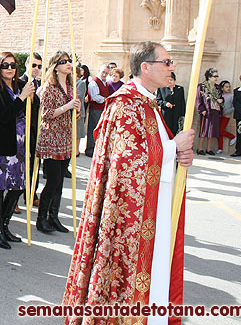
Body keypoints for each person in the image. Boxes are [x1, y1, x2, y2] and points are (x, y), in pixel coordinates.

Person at [63, 42, 195, 324]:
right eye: (167, 62)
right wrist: (173, 147)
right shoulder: (125, 103)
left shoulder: (148, 102)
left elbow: (154, 149)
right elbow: (127, 162)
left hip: (154, 207)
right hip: (128, 217)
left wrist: (178, 153)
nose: (172, 68)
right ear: (145, 67)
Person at [0, 52, 35, 249]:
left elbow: (33, 111)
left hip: (21, 147)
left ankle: (5, 225)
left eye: (13, 65)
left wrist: (30, 95)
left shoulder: (21, 85)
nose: (9, 68)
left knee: (18, 187)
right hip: (2, 145)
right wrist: (21, 98)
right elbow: (3, 116)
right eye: (5, 65)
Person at [34, 51, 81, 234]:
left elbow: (69, 112)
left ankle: (54, 217)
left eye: (69, 61)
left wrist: (74, 111)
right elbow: (46, 114)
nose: (68, 64)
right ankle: (41, 218)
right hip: (52, 137)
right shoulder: (49, 87)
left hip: (66, 137)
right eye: (64, 61)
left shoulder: (71, 86)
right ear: (55, 66)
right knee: (53, 180)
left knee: (60, 181)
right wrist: (67, 107)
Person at [20, 53, 43, 206]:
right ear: (27, 64)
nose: (36, 69)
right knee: (20, 165)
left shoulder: (41, 84)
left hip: (36, 128)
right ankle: (13, 198)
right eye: (33, 65)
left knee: (34, 163)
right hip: (21, 128)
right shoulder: (19, 82)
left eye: (39, 66)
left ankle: (31, 193)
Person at [196, 68, 222, 155]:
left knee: (212, 130)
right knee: (204, 130)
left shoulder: (217, 87)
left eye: (217, 76)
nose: (216, 78)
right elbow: (198, 99)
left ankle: (209, 148)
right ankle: (200, 148)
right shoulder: (202, 86)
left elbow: (221, 97)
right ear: (209, 77)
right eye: (215, 76)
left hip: (215, 110)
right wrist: (201, 109)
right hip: (206, 111)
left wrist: (221, 100)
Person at [85, 64, 109, 156]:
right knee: (93, 128)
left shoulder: (105, 82)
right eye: (103, 72)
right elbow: (95, 97)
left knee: (99, 130)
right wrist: (106, 99)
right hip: (95, 109)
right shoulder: (94, 82)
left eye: (106, 73)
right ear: (99, 70)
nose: (104, 74)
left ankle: (96, 149)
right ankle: (90, 150)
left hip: (102, 109)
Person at [156, 71, 186, 137]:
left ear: (174, 80)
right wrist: (165, 103)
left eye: (171, 80)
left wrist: (183, 115)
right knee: (166, 131)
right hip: (166, 114)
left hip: (176, 114)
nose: (169, 81)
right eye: (168, 80)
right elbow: (157, 100)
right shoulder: (161, 89)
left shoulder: (180, 89)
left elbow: (182, 102)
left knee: (175, 130)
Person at [217, 80, 236, 154]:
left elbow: (234, 107)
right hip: (219, 115)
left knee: (220, 130)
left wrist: (226, 112)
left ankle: (233, 136)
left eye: (229, 87)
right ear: (222, 88)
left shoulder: (232, 96)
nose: (228, 88)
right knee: (218, 132)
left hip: (226, 116)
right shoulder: (219, 96)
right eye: (226, 87)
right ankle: (220, 148)